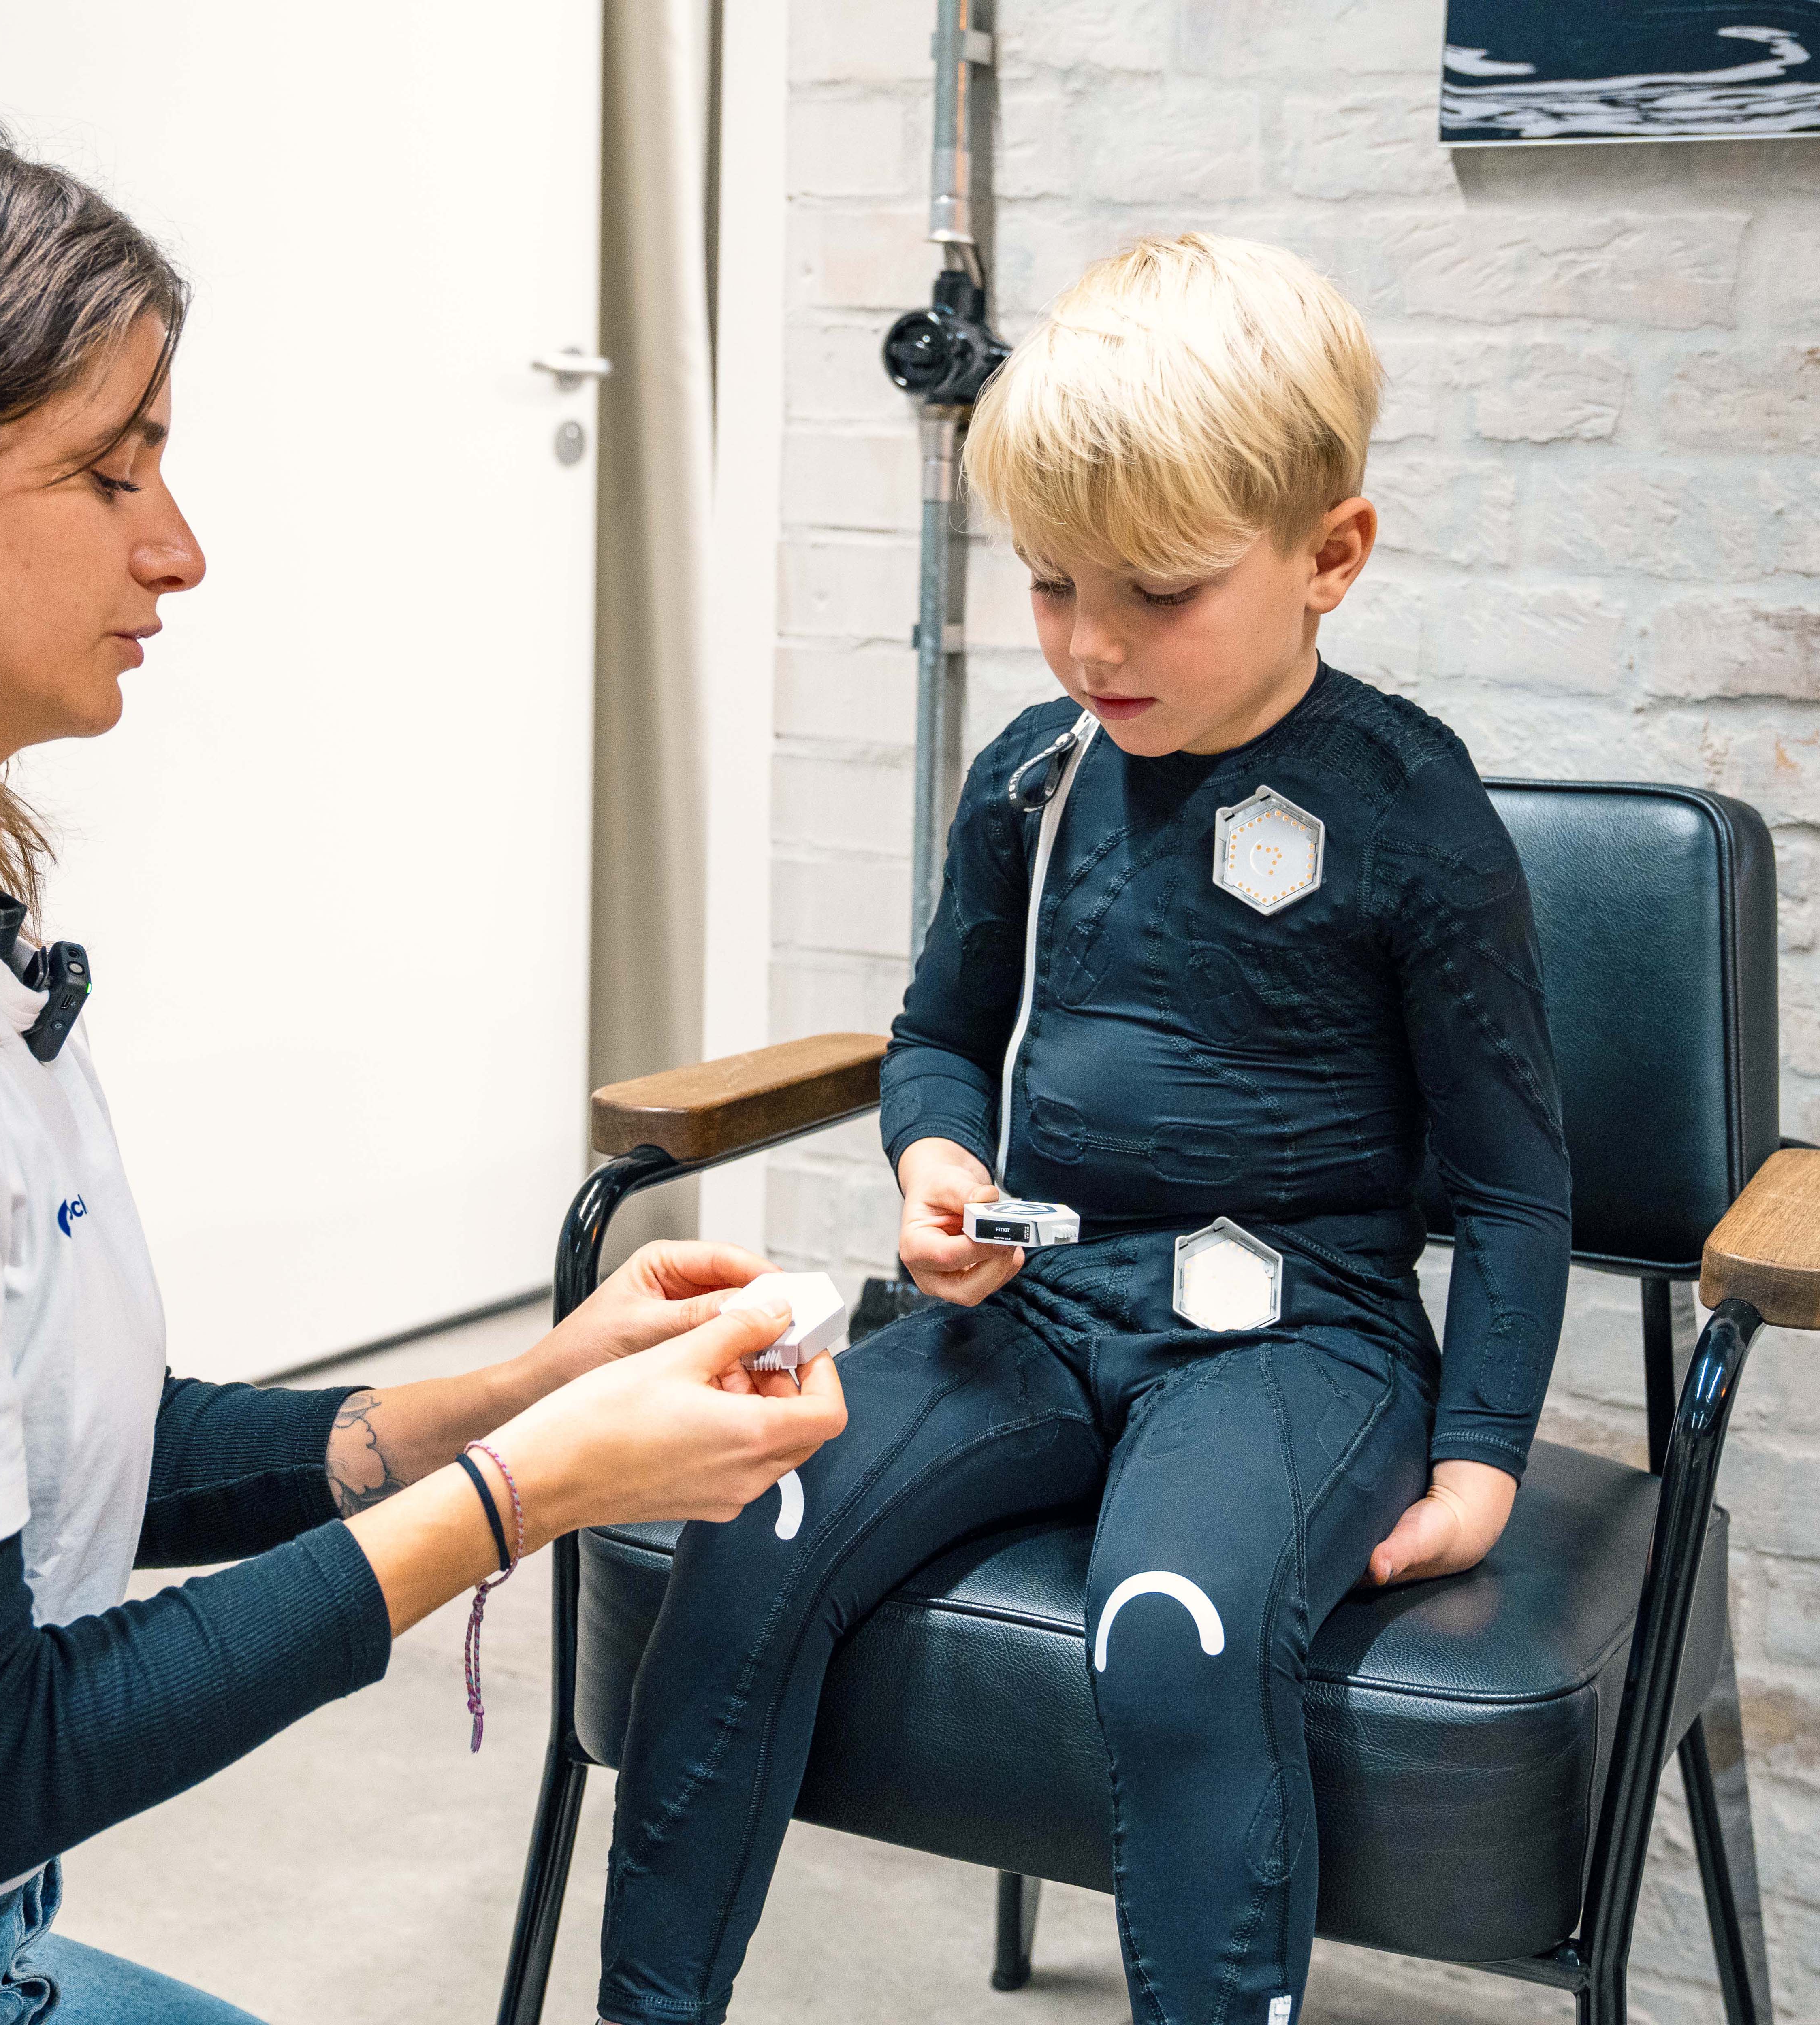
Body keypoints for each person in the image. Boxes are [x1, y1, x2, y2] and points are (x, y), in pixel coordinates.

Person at [0, 94, 845, 2024]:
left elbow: (62, 1459)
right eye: (110, 478)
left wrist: (511, 1387)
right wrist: (524, 1486)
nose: (179, 551)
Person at [593, 233, 1573, 2025]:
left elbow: (1512, 1186)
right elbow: (937, 1035)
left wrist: (1482, 1453)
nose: (1089, 642)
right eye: (1047, 585)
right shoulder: (1034, 775)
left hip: (1283, 1333)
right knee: (750, 1514)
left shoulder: (1411, 809)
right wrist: (933, 1164)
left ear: (1326, 557)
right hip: (1039, 1304)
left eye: (1158, 590)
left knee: (1173, 1634)